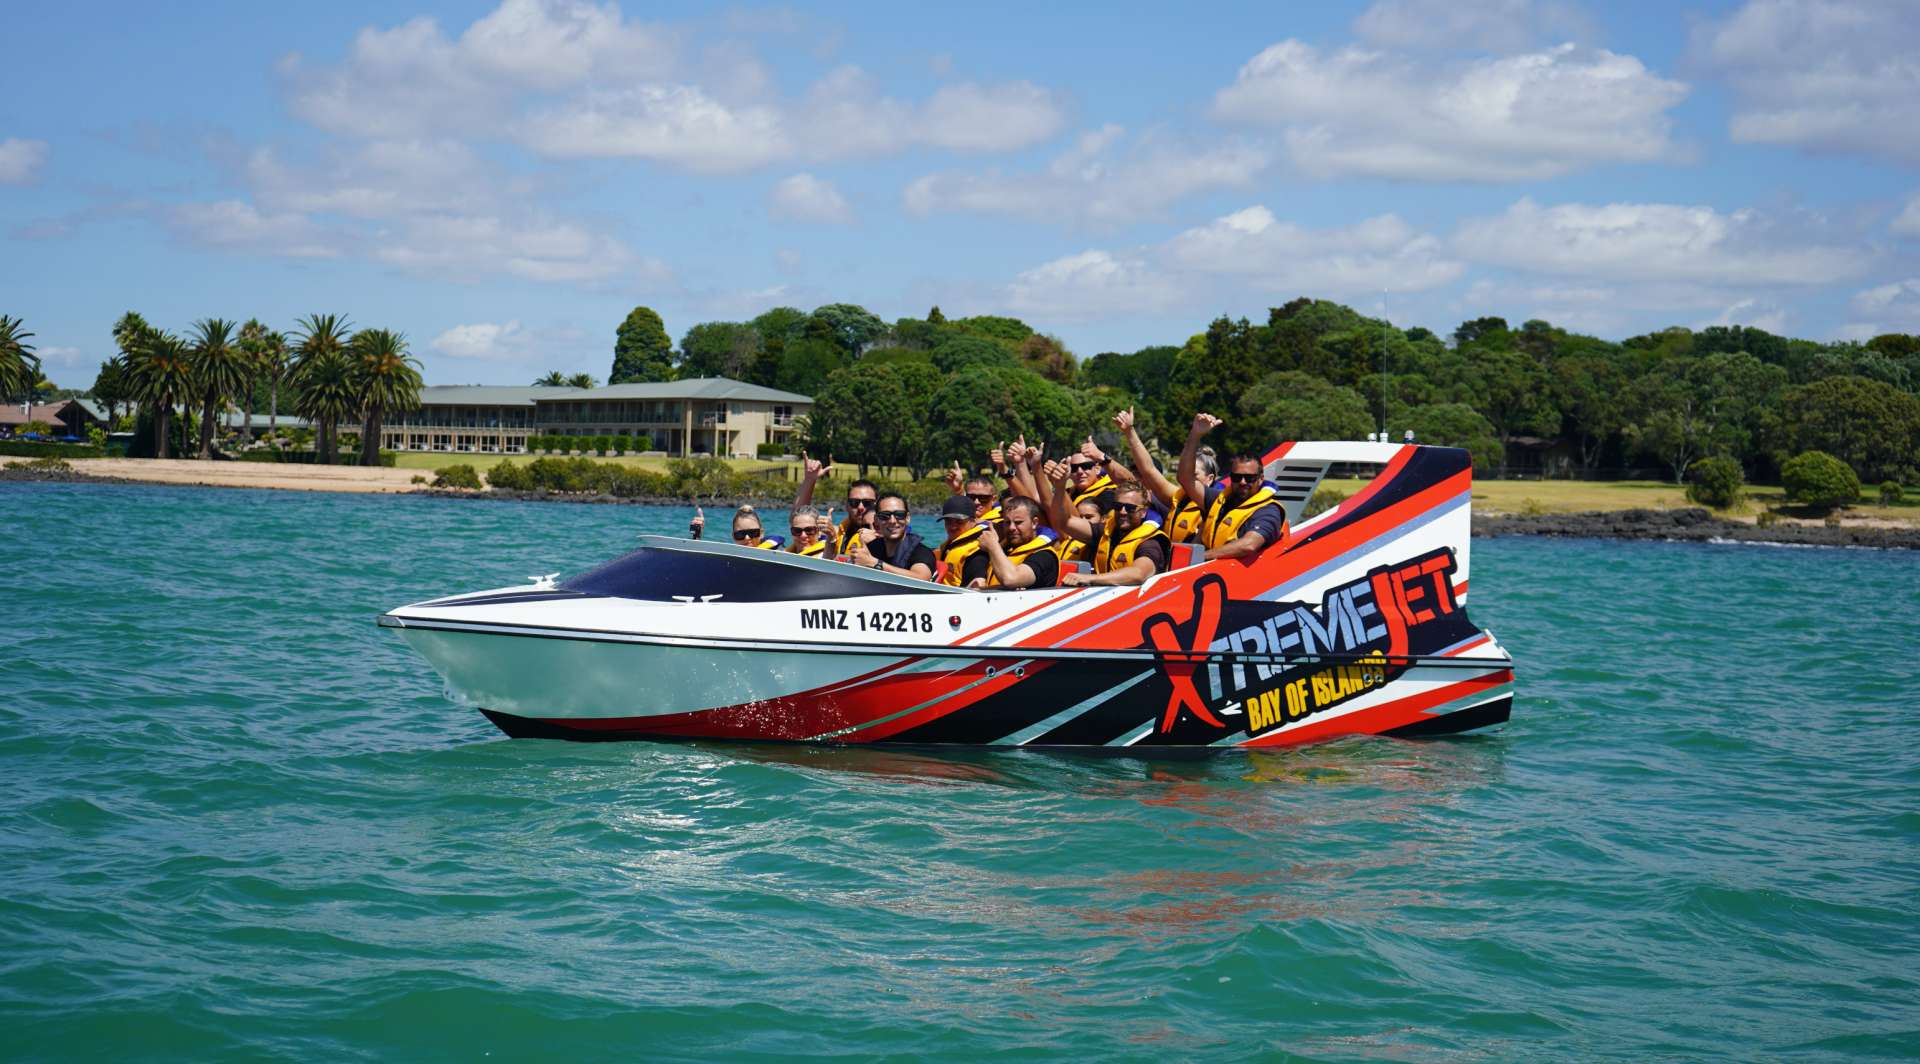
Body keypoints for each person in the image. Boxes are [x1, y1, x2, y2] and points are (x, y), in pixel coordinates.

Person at [1179, 413, 1287, 561]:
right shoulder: (1217, 500)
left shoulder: (1269, 510)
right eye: (1236, 477)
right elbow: (1185, 478)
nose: (1242, 482)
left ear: (1261, 478)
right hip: (1207, 573)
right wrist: (1195, 435)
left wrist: (1201, 557)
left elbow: (1249, 545)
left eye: (1249, 478)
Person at [1111, 406, 1216, 542]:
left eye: (1194, 475)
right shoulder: (1178, 498)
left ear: (1209, 479)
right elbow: (1148, 470)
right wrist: (1129, 432)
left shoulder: (1219, 504)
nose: (1185, 479)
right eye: (1183, 472)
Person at [1058, 483, 1171, 587]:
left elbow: (1139, 573)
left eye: (1130, 508)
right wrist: (1059, 485)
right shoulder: (1107, 531)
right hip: (1099, 597)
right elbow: (1064, 522)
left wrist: (1089, 578)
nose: (1123, 512)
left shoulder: (1150, 542)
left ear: (1143, 512)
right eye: (1118, 506)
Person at [964, 496, 1059, 589]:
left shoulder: (1045, 556)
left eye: (1018, 522)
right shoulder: (1004, 551)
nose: (1011, 528)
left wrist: (993, 546)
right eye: (1007, 522)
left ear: (1034, 523)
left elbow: (1010, 579)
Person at [793, 451, 877, 556]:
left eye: (867, 503)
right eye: (854, 502)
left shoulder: (887, 535)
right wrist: (809, 480)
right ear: (847, 506)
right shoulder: (835, 533)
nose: (860, 507)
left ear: (877, 505)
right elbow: (798, 519)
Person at [848, 491, 936, 579]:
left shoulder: (921, 552)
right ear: (876, 520)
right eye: (884, 515)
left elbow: (922, 578)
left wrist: (876, 564)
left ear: (908, 518)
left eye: (899, 515)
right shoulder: (872, 549)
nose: (892, 521)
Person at [934, 494, 984, 586]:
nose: (953, 527)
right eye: (948, 521)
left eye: (959, 521)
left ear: (973, 521)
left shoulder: (976, 553)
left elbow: (978, 585)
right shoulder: (948, 545)